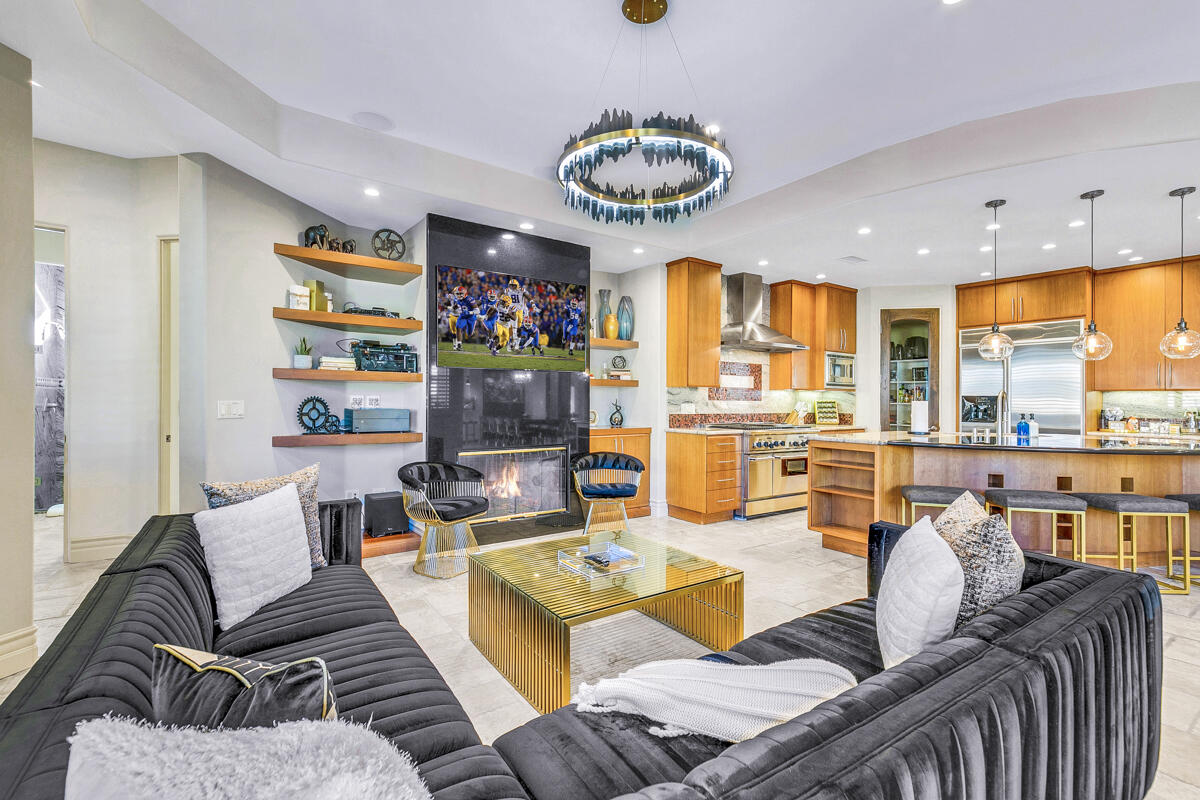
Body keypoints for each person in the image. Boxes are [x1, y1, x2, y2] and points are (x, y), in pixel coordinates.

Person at [448, 285, 476, 351]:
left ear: (465, 293)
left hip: (471, 317)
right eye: (457, 294)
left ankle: (471, 332)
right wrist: (451, 309)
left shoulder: (470, 299)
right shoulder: (458, 299)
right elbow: (457, 305)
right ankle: (459, 344)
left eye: (460, 293)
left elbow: (477, 310)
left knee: (469, 334)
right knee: (458, 327)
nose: (459, 295)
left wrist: (469, 313)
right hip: (463, 316)